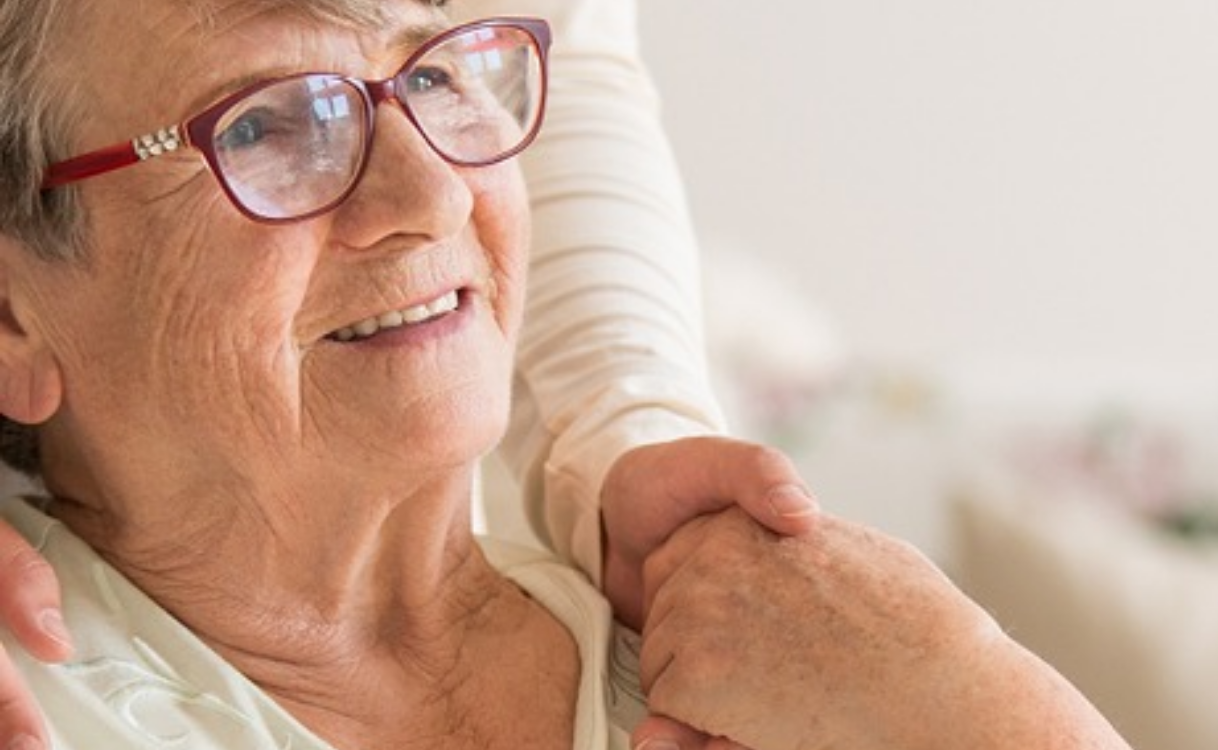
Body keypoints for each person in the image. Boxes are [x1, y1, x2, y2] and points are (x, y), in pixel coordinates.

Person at [0, 1, 1134, 749]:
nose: (433, 196)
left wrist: (972, 697)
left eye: (438, 77)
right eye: (261, 128)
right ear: (13, 315)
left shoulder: (804, 662)